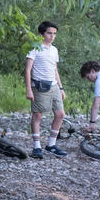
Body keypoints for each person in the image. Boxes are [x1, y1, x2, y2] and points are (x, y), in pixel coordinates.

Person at [25, 21, 67, 159]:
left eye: (54, 34)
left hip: (54, 85)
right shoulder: (35, 48)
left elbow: (55, 69)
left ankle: (51, 145)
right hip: (39, 85)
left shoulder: (54, 50)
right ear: (42, 33)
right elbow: (28, 70)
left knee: (60, 114)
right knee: (37, 115)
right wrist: (29, 89)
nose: (52, 36)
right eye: (49, 33)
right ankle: (37, 147)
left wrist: (61, 88)